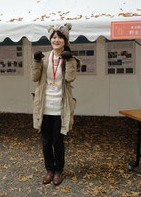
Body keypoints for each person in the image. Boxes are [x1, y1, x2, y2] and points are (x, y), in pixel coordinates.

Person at [31, 23, 80, 186]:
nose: (56, 39)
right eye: (53, 37)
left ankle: (59, 170)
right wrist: (37, 61)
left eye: (59, 37)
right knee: (46, 141)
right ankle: (49, 170)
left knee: (58, 141)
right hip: (44, 106)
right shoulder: (45, 57)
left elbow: (70, 78)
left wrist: (70, 59)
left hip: (60, 107)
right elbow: (34, 77)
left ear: (65, 40)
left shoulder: (68, 58)